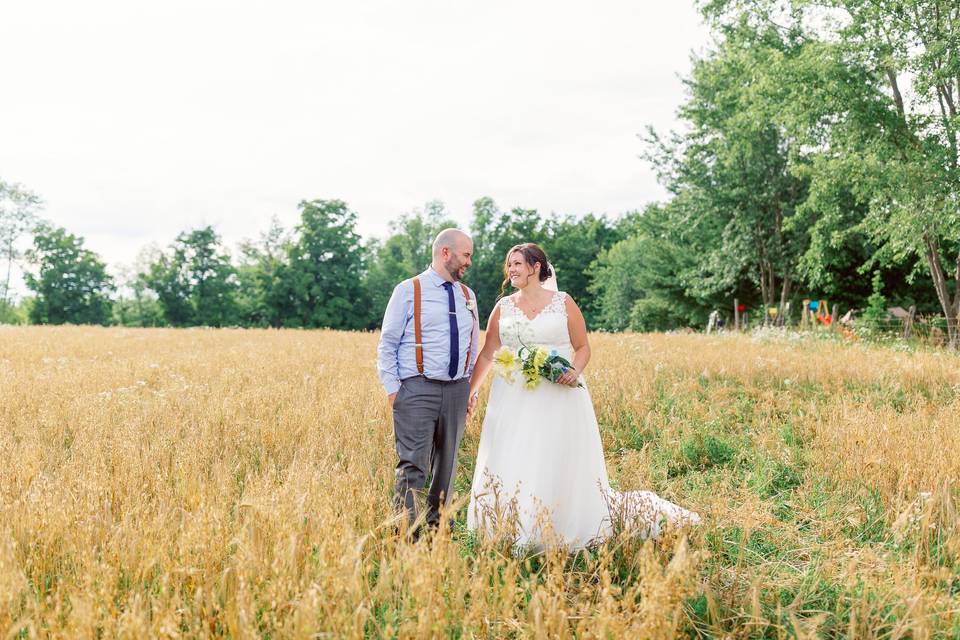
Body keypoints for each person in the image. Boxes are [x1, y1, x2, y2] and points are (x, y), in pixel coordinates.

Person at [466, 243, 699, 549]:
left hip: (560, 395)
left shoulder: (563, 303)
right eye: (509, 265)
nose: (511, 270)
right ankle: (514, 525)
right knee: (515, 454)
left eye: (518, 264)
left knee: (556, 455)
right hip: (513, 397)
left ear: (536, 268)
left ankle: (561, 523)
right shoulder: (503, 307)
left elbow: (583, 346)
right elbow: (487, 354)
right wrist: (469, 392)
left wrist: (573, 371)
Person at [377, 229, 480, 538]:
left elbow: (473, 346)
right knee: (413, 467)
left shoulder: (467, 295)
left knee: (446, 468)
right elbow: (387, 343)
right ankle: (407, 537)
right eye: (466, 255)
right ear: (445, 253)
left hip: (457, 390)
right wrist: (394, 391)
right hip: (416, 388)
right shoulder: (409, 290)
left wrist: (469, 390)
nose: (469, 262)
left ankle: (437, 535)